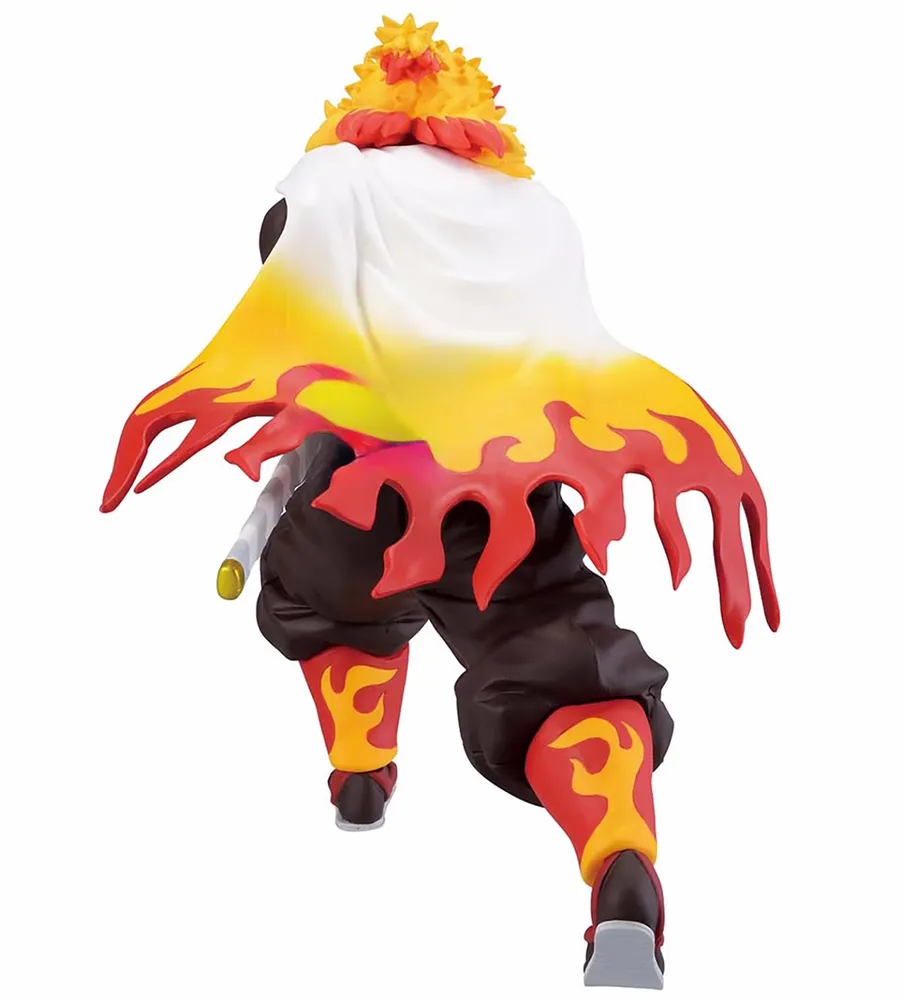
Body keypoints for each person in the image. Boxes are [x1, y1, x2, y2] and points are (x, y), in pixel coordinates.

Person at [101, 16, 779, 989]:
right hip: (494, 491)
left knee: (336, 605)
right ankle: (619, 867)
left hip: (349, 490)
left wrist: (258, 514)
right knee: (558, 658)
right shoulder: (529, 210)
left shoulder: (331, 182)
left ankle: (360, 770)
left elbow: (285, 299)